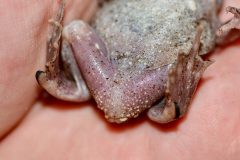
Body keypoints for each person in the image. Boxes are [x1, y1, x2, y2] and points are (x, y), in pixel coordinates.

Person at [0, 0, 239, 159]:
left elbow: (213, 29)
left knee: (118, 100)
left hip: (154, 60)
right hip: (112, 51)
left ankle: (83, 87)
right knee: (115, 97)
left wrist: (228, 28)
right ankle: (82, 85)